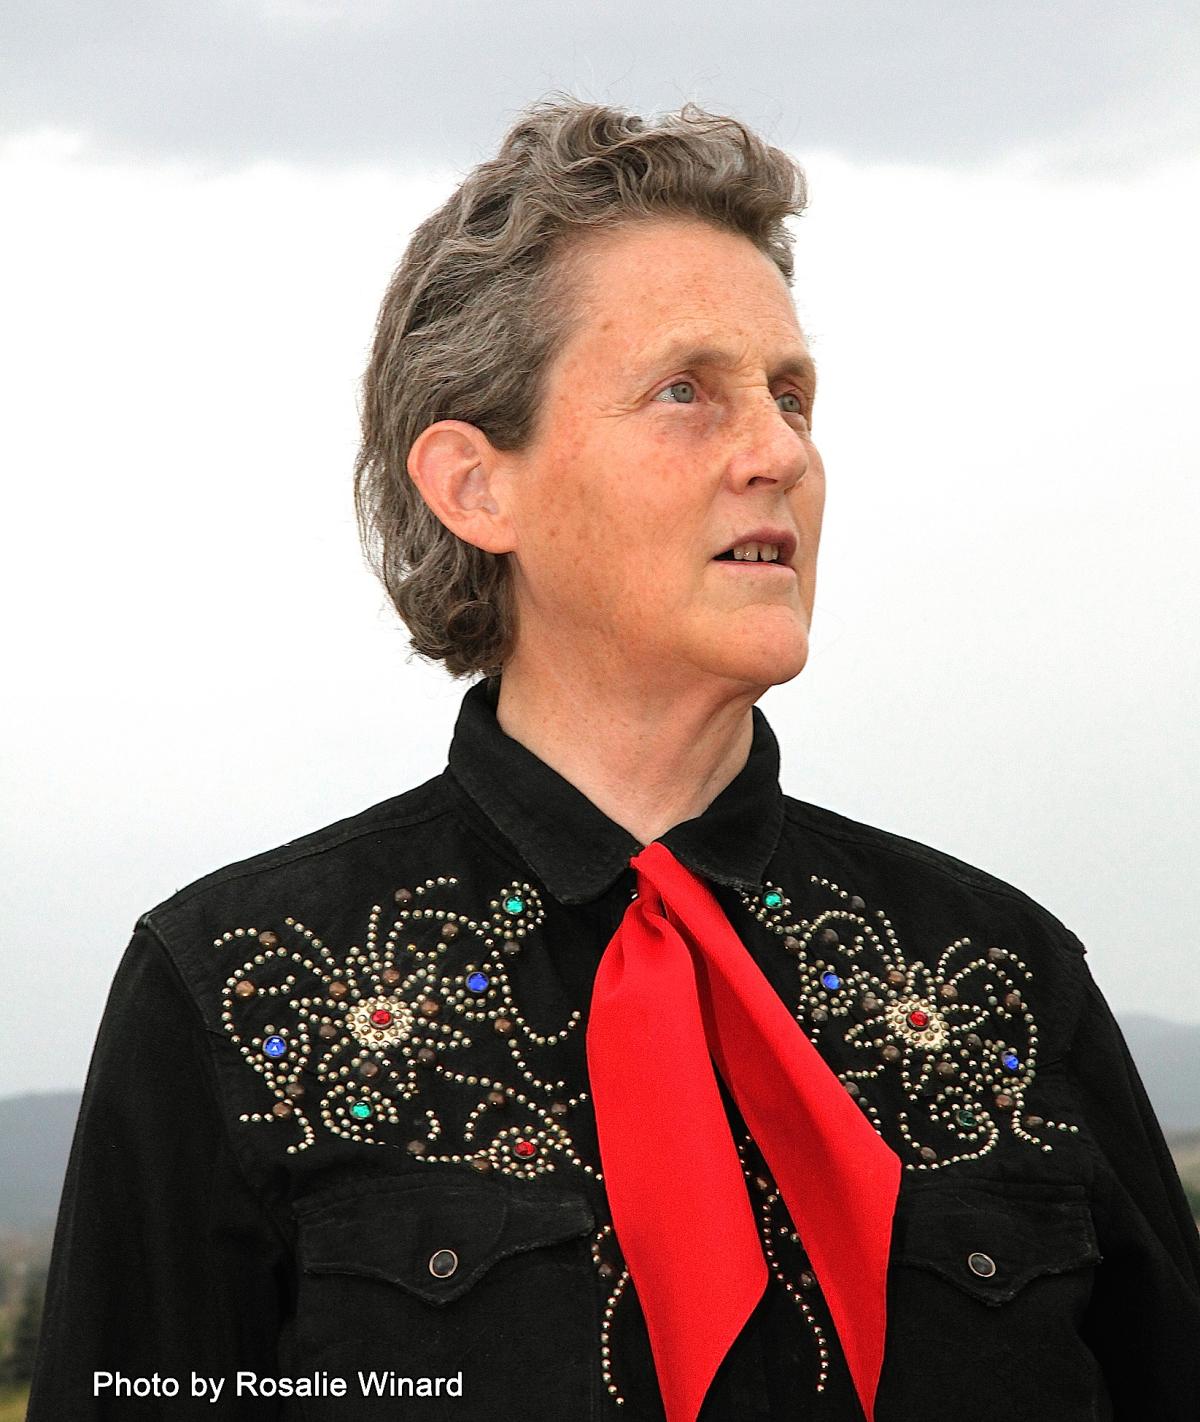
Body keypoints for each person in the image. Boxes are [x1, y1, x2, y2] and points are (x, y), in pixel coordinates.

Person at [28, 94, 1200, 1422]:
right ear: (477, 485)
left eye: (793, 395)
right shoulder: (235, 997)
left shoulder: (1002, 983)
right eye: (687, 391)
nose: (779, 453)